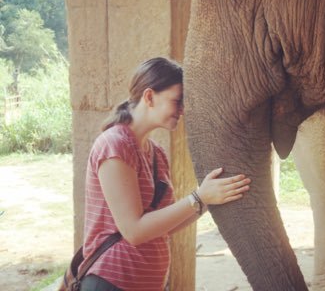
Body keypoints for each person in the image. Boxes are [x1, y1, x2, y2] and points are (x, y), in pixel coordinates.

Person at [80, 57, 251, 291]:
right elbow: (134, 231)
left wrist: (211, 200)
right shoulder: (115, 145)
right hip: (112, 282)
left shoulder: (156, 153)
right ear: (149, 97)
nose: (182, 110)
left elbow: (164, 226)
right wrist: (199, 198)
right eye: (177, 101)